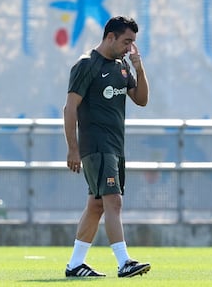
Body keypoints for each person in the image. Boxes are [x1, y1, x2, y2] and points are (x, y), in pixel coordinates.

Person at [63, 16, 150, 278]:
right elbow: (70, 108)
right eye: (126, 41)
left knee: (96, 205)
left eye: (133, 43)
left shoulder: (123, 65)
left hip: (114, 147)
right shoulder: (87, 64)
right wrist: (73, 149)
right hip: (96, 146)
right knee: (113, 200)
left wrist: (139, 68)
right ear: (110, 37)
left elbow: (142, 100)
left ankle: (75, 264)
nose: (130, 48)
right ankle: (124, 262)